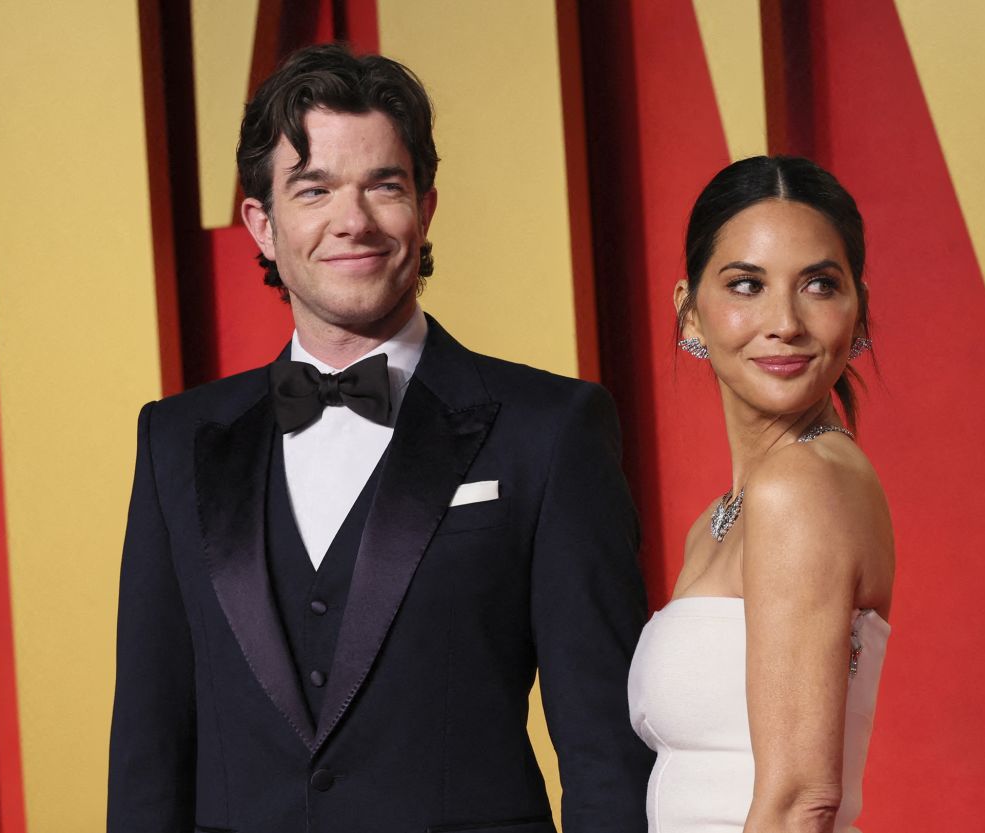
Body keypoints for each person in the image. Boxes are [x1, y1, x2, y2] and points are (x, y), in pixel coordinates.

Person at [107, 43, 653, 833]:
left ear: (425, 209)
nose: (352, 221)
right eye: (314, 188)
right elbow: (149, 752)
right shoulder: (175, 441)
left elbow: (607, 754)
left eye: (383, 185)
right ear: (262, 223)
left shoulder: (550, 430)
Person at [627, 156, 895, 832]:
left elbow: (801, 800)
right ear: (690, 313)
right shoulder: (717, 521)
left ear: (856, 311)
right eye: (747, 284)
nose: (784, 321)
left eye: (819, 285)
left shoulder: (801, 487)